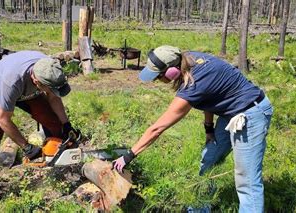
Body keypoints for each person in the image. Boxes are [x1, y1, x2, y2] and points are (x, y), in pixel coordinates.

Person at [112, 46, 273, 212]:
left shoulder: (194, 84)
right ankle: (199, 208)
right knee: (209, 159)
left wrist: (129, 156)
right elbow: (211, 96)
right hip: (230, 112)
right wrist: (209, 128)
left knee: (247, 180)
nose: (156, 80)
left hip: (251, 113)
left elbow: (158, 128)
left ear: (171, 72)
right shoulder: (189, 60)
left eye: (158, 76)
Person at [0, 51, 79, 212]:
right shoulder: (12, 81)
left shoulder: (48, 68)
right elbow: (3, 119)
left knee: (54, 120)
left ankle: (58, 163)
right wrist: (26, 147)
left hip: (28, 90)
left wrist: (66, 124)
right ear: (37, 81)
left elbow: (54, 97)